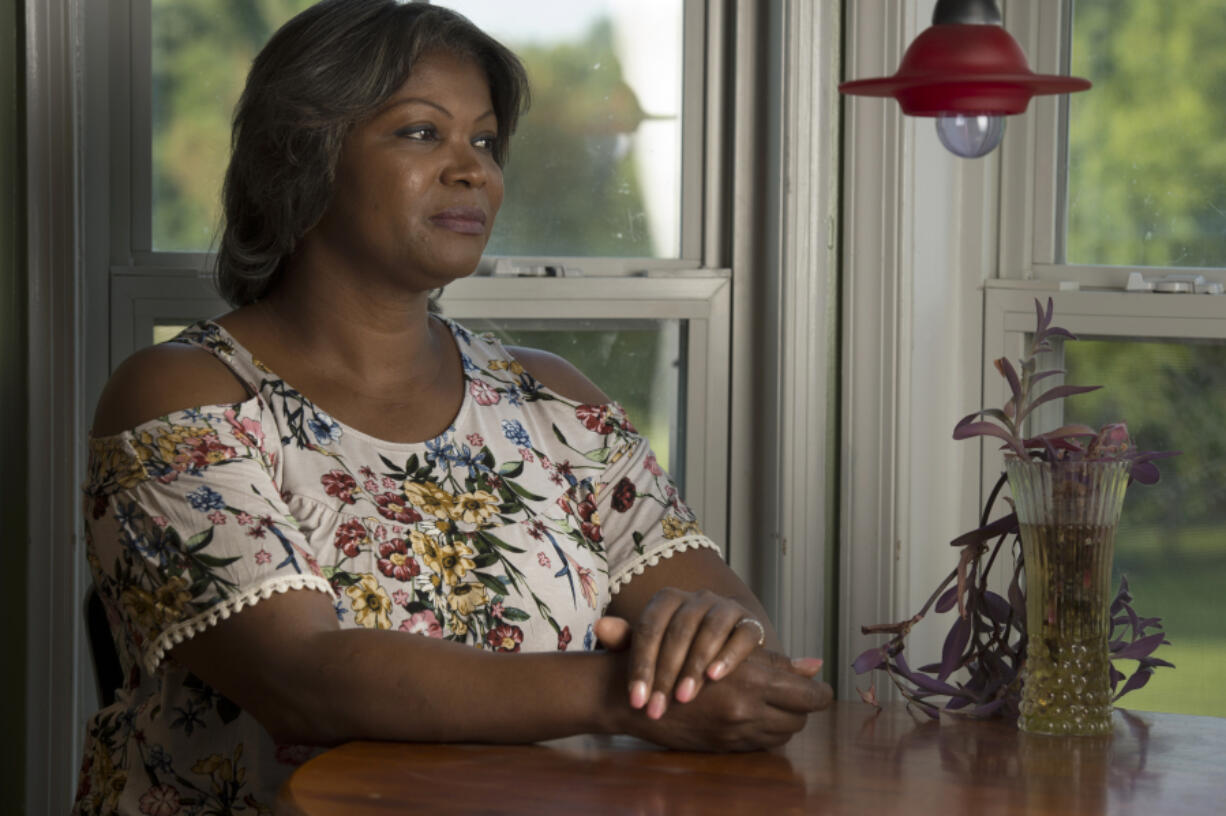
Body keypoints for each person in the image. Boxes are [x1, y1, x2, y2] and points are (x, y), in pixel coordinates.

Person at [74, 1, 833, 813]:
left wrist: (719, 650)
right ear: (302, 154)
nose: (472, 169)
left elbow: (736, 631)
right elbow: (305, 679)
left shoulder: (552, 398)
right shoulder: (183, 395)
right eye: (420, 132)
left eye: (483, 140)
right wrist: (624, 694)